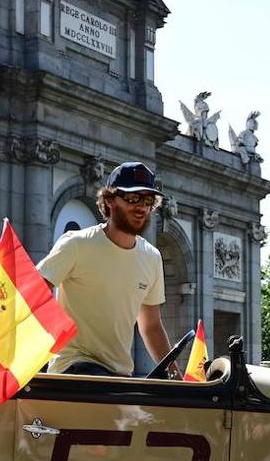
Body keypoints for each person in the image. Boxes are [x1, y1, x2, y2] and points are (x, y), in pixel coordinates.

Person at [37, 161, 176, 378]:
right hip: (75, 368)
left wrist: (177, 377)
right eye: (132, 198)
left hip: (119, 375)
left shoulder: (152, 257)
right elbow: (34, 292)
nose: (141, 207)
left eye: (148, 200)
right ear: (110, 200)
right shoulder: (77, 244)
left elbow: (151, 326)